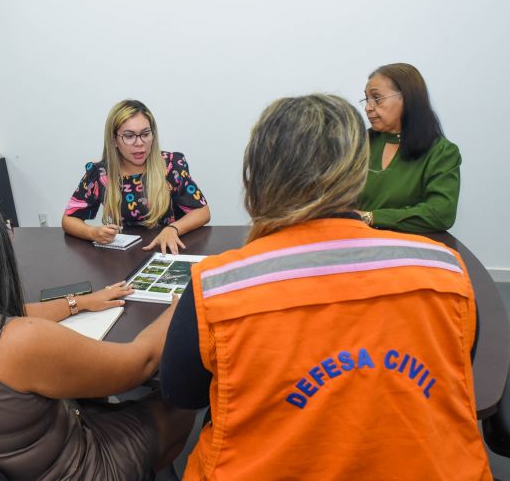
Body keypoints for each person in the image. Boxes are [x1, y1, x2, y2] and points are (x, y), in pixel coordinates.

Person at [160, 94, 491, 479]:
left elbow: (182, 395)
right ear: (357, 172)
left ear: (258, 172)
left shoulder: (217, 288)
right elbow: (455, 366)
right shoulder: (446, 270)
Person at [0, 181, 195, 480]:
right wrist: (180, 309)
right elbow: (138, 364)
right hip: (76, 468)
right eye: (4, 228)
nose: (9, 234)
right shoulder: (19, 341)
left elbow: (12, 314)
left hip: (0, 455)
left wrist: (79, 302)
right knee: (178, 400)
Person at [62, 99, 210, 254]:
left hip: (169, 249)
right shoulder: (100, 173)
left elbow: (202, 212)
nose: (139, 143)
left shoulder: (171, 165)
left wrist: (173, 229)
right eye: (129, 136)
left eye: (145, 134)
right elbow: (68, 219)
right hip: (125, 255)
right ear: (114, 140)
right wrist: (92, 233)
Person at [357, 62, 461, 232]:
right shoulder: (360, 143)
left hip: (407, 249)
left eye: (377, 98)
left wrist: (371, 217)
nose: (368, 107)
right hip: (356, 243)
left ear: (407, 97)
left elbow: (441, 213)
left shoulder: (441, 152)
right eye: (366, 100)